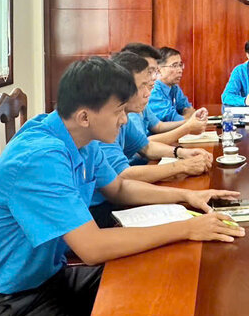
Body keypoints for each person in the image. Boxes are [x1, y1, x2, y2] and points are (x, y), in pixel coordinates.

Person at [0, 57, 243, 316]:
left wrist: (186, 197)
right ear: (84, 116)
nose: (124, 120)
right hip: (5, 307)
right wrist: (187, 227)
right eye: (119, 111)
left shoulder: (81, 138)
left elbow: (119, 188)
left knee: (156, 286)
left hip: (51, 279)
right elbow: (92, 247)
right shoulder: (40, 157)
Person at [89, 52, 213, 226]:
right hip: (99, 209)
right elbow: (123, 176)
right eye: (143, 86)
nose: (149, 93)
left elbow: (145, 147)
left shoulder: (122, 115)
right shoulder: (102, 123)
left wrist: (181, 153)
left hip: (116, 199)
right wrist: (182, 166)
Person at [122, 42, 208, 144]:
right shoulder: (138, 101)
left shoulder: (170, 88)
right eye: (150, 71)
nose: (180, 70)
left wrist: (190, 121)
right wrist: (188, 126)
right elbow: (143, 145)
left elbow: (158, 126)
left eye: (180, 65)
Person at [148, 47, 197, 122]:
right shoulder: (153, 90)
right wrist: (187, 117)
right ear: (158, 69)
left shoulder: (174, 87)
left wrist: (187, 116)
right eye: (174, 66)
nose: (180, 70)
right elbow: (172, 119)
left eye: (180, 65)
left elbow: (189, 108)